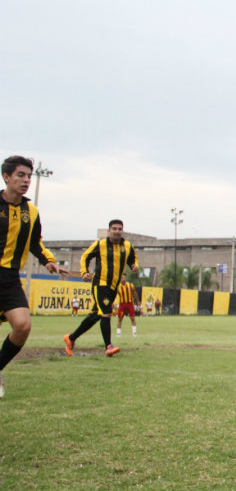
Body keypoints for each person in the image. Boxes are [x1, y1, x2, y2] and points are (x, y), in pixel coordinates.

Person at [0, 155, 68, 398]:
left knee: (22, 326)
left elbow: (35, 243)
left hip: (8, 278)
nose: (27, 180)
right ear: (6, 177)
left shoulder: (31, 211)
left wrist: (49, 261)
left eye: (29, 176)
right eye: (21, 175)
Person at [63, 219, 139, 358]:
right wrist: (84, 272)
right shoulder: (100, 244)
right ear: (109, 230)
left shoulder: (127, 246)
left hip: (113, 287)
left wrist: (134, 266)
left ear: (123, 231)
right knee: (106, 312)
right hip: (100, 283)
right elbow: (85, 256)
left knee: (96, 316)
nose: (117, 231)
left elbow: (132, 258)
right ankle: (108, 346)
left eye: (119, 229)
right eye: (114, 229)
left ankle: (71, 338)